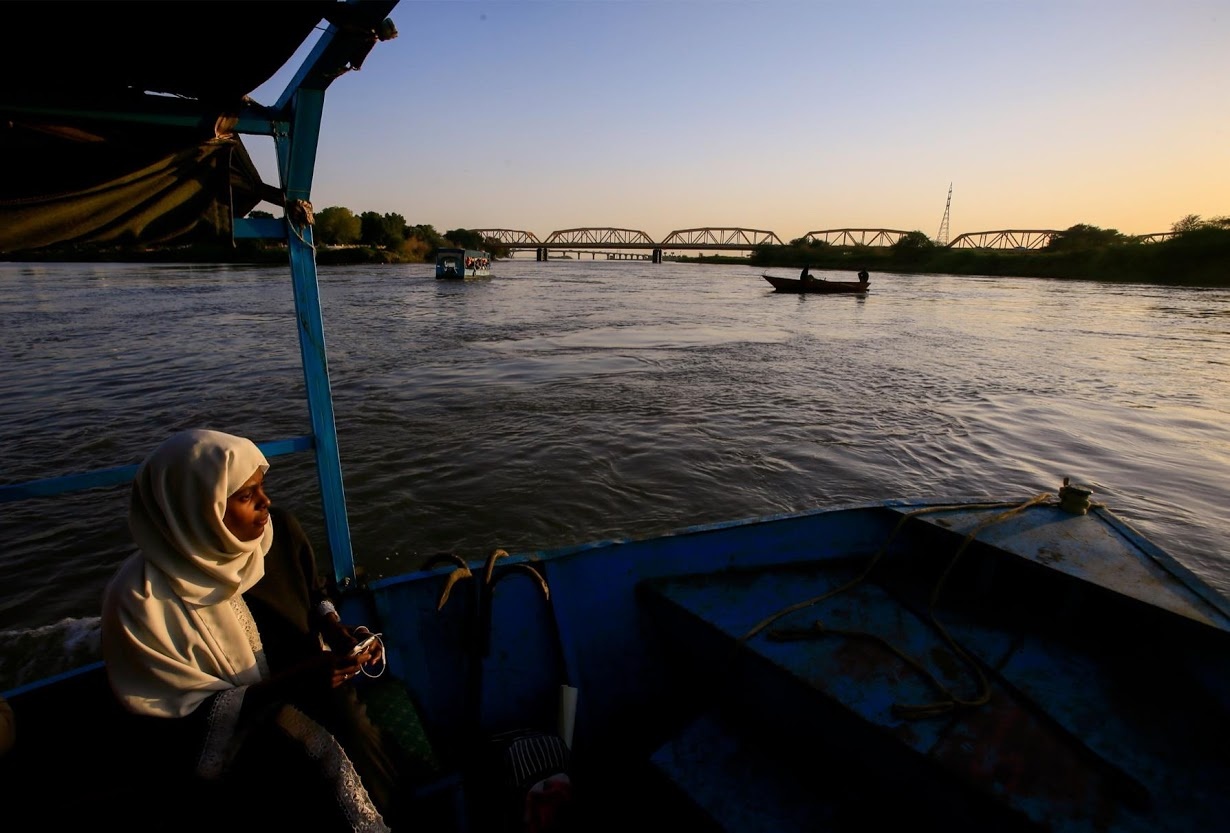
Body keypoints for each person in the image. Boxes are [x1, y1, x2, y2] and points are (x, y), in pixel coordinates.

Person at [100, 428, 404, 831]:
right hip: (244, 739)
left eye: (263, 487)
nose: (266, 503)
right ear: (196, 510)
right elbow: (173, 727)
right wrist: (292, 684)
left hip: (316, 689)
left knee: (362, 739)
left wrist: (334, 629)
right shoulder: (141, 601)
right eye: (245, 497)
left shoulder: (277, 534)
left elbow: (313, 594)